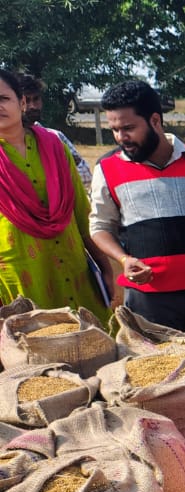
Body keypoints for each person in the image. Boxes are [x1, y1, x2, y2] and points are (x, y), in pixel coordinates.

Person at [88, 80, 185, 340]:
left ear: (155, 120)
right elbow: (100, 227)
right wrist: (124, 259)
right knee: (159, 375)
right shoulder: (107, 170)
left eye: (129, 128)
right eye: (115, 130)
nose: (122, 138)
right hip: (148, 302)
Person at [0, 69, 108, 319]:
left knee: (91, 343)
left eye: (3, 99)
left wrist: (104, 265)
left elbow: (82, 211)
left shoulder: (54, 146)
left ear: (22, 102)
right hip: (19, 273)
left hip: (74, 266)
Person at [16, 73, 92, 186]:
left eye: (36, 99)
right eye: (26, 101)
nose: (32, 106)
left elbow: (86, 178)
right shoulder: (6, 141)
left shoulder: (55, 137)